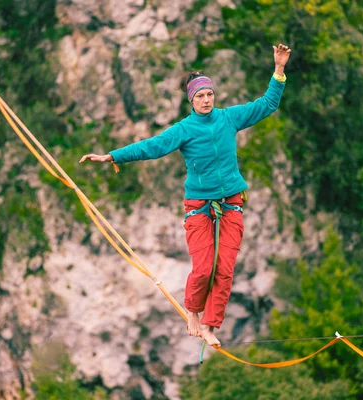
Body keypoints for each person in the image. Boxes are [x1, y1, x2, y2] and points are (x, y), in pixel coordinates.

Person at [80, 44, 291, 347]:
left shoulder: (229, 118)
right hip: (198, 206)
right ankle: (192, 311)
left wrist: (279, 69)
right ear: (191, 100)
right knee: (204, 268)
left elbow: (267, 103)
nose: (206, 100)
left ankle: (211, 326)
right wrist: (112, 156)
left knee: (225, 269)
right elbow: (152, 146)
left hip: (231, 202)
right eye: (200, 96)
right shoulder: (185, 129)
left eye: (209, 95)